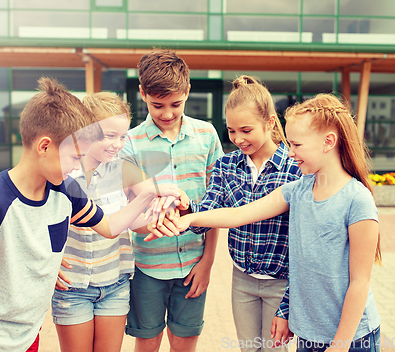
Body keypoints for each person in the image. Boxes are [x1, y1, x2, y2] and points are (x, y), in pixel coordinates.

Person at [0, 78, 179, 352]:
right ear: (44, 146)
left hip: (28, 335)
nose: (77, 166)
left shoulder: (66, 189)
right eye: (75, 158)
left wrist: (150, 194)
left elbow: (110, 226)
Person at [165, 93, 382, 352]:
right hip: (308, 335)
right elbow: (238, 215)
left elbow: (360, 282)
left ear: (328, 142)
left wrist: (339, 346)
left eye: (297, 145)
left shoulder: (358, 200)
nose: (290, 152)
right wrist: (188, 217)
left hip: (352, 339)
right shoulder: (297, 190)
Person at [175, 75, 302, 352]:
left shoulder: (295, 169)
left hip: (281, 282)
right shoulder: (226, 165)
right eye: (232, 131)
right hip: (242, 279)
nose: (238, 139)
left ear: (269, 123)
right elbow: (206, 217)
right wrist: (186, 209)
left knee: (273, 349)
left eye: (246, 130)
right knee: (248, 348)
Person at [120, 49, 224, 352]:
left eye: (176, 104)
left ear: (188, 91)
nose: (167, 113)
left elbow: (214, 208)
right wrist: (151, 221)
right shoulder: (130, 143)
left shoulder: (207, 135)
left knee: (184, 343)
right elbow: (129, 210)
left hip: (194, 263)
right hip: (147, 266)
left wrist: (208, 262)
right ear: (142, 93)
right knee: (148, 343)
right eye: (157, 105)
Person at [52, 91, 157, 352]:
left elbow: (145, 213)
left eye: (123, 136)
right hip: (72, 287)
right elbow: (40, 224)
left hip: (115, 284)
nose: (118, 144)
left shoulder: (124, 169)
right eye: (110, 136)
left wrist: (163, 216)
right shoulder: (64, 174)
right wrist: (47, 264)